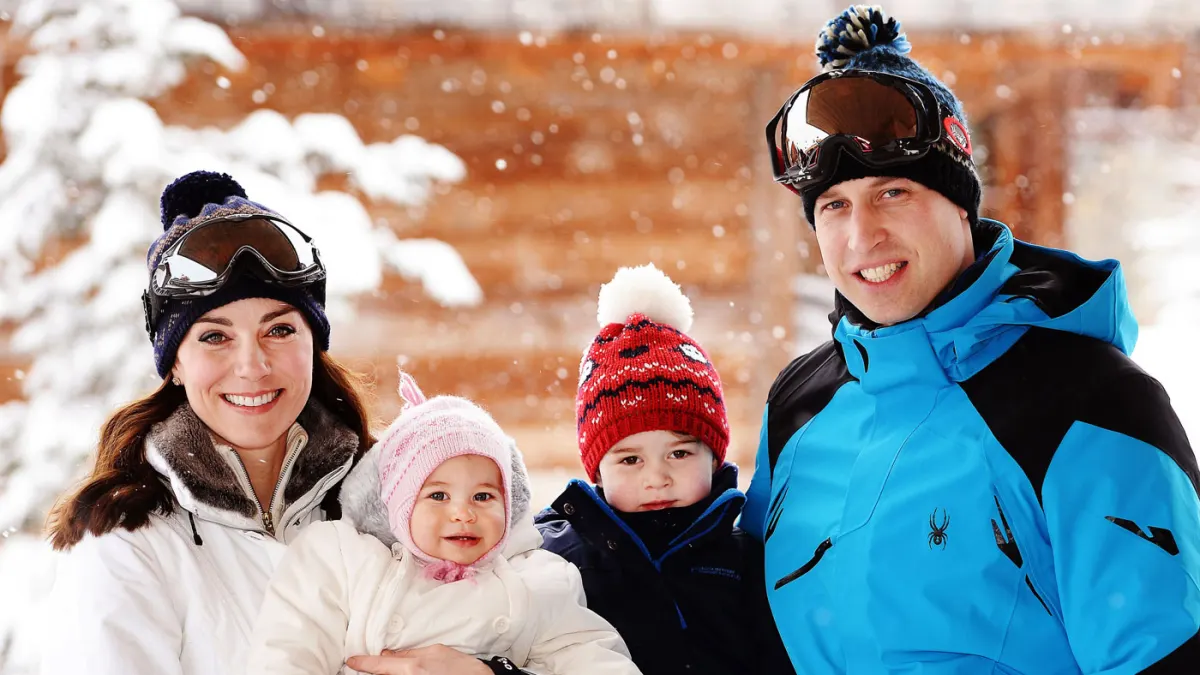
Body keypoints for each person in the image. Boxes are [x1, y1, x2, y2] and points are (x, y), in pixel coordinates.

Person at [742, 6, 1200, 673]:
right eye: (833, 206)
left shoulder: (1090, 405)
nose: (861, 236)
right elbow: (742, 632)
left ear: (960, 204)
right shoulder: (799, 406)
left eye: (892, 192)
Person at [40, 171, 512, 675]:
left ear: (314, 344)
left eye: (280, 330)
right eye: (215, 337)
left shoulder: (400, 498)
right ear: (174, 363)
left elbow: (546, 627)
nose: (252, 365)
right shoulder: (131, 543)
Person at [247, 373, 640, 675]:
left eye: (483, 496)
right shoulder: (343, 560)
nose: (463, 513)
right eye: (437, 495)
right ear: (398, 504)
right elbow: (288, 651)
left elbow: (598, 663)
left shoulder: (536, 580)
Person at [536, 264, 794, 675]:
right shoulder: (558, 561)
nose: (656, 478)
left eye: (679, 454)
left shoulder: (747, 560)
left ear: (713, 456)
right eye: (630, 459)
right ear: (598, 473)